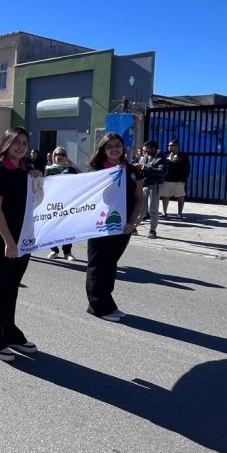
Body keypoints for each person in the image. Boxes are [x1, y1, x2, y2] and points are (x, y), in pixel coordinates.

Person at [0, 127, 42, 362]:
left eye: (24, 142)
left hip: (23, 235)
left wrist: (38, 182)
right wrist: (9, 242)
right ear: (6, 143)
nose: (20, 146)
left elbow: (36, 201)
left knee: (12, 287)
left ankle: (10, 333)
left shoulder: (26, 167)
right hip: (1, 237)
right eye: (16, 142)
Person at [84, 133, 144, 322]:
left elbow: (138, 198)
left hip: (123, 225)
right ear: (103, 149)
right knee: (98, 265)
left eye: (117, 145)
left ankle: (107, 302)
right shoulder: (96, 169)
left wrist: (132, 222)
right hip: (100, 225)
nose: (114, 149)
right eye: (109, 146)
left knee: (110, 264)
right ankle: (97, 306)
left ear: (123, 148)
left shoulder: (131, 170)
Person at [44, 146, 79, 260]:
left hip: (67, 203)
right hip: (52, 204)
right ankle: (54, 250)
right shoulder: (48, 169)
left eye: (62, 154)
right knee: (52, 227)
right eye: (57, 154)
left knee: (67, 228)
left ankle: (67, 252)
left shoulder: (71, 170)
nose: (60, 156)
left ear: (66, 158)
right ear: (53, 157)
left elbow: (81, 183)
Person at [134, 140, 167, 239]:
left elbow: (162, 172)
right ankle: (133, 227)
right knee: (140, 209)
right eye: (145, 149)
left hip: (155, 186)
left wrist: (146, 168)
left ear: (154, 148)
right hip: (144, 186)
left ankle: (153, 230)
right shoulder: (145, 157)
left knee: (152, 209)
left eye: (148, 148)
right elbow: (140, 171)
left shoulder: (161, 159)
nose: (146, 150)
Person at [161, 140, 191, 218]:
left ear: (177, 147)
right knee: (165, 196)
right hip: (166, 180)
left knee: (180, 197)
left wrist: (184, 180)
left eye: (172, 145)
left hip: (178, 181)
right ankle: (164, 212)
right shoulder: (165, 155)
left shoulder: (183, 156)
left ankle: (179, 213)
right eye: (169, 146)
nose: (170, 147)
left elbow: (187, 169)